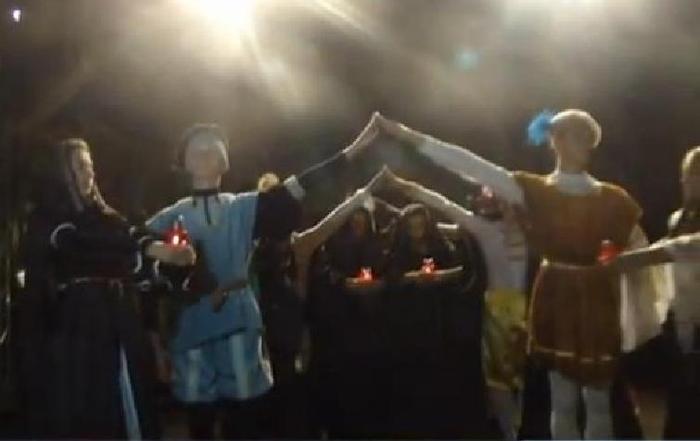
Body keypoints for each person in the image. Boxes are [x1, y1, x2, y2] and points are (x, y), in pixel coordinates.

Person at [373, 109, 661, 439]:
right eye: (576, 136)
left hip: (596, 299)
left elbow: (639, 246)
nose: (584, 144)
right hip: (555, 295)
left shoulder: (611, 198)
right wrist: (408, 135)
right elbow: (471, 165)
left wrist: (617, 265)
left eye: (587, 138)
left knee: (597, 401)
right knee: (563, 400)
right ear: (556, 141)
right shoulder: (534, 190)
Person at [146, 121, 376, 439]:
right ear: (183, 160)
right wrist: (160, 255)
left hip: (237, 323)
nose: (205, 152)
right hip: (192, 327)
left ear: (225, 159)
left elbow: (297, 186)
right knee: (200, 418)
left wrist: (350, 153)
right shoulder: (172, 215)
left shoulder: (242, 206)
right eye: (197, 148)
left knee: (245, 417)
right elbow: (136, 248)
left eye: (213, 146)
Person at [17, 138, 196, 439]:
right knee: (86, 404)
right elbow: (84, 245)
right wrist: (148, 248)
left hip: (119, 322)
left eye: (90, 166)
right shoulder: (48, 220)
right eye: (79, 166)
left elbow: (130, 246)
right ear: (61, 173)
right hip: (76, 329)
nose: (89, 173)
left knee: (127, 401)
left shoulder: (109, 219)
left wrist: (172, 259)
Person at [375, 168, 527, 441]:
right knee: (496, 379)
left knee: (521, 377)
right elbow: (393, 276)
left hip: (509, 309)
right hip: (437, 319)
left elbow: (460, 262)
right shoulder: (478, 229)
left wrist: (443, 276)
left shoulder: (519, 232)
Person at [611, 146, 700, 438]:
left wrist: (628, 260)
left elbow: (679, 249)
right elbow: (665, 249)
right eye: (687, 176)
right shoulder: (680, 218)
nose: (688, 183)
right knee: (678, 409)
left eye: (695, 176)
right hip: (680, 322)